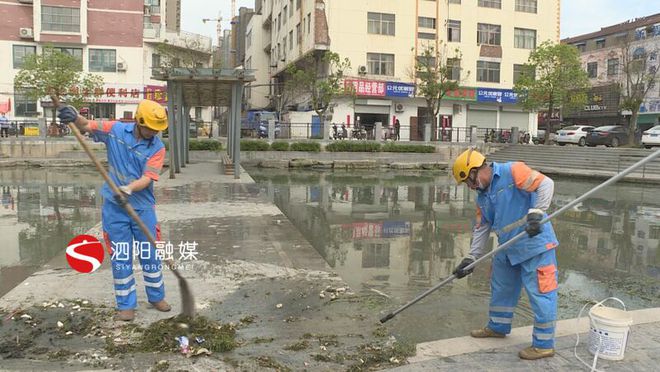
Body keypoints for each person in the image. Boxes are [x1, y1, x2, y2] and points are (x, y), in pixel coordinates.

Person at [57, 100, 171, 322]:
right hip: (114, 208)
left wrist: (128, 189)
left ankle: (156, 296)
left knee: (150, 254)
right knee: (121, 255)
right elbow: (88, 126)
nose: (154, 133)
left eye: (158, 129)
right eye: (150, 128)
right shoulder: (116, 130)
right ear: (139, 121)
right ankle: (126, 305)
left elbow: (148, 178)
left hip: (143, 208)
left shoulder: (157, 147)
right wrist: (73, 116)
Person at [451, 148, 559, 360]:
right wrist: (472, 258)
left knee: (540, 294)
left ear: (475, 170)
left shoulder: (513, 171)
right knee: (500, 289)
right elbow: (482, 227)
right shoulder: (483, 197)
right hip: (506, 248)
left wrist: (537, 212)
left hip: (534, 245)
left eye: (469, 182)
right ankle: (498, 327)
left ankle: (544, 345)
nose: (470, 187)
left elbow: (546, 184)